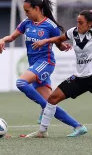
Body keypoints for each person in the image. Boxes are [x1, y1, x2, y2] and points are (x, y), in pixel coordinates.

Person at [0, 0, 86, 136]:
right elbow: (12, 37)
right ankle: (78, 126)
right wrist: (2, 40)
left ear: (37, 9)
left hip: (46, 63)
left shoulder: (50, 26)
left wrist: (64, 47)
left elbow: (59, 45)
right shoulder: (26, 23)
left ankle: (44, 108)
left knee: (21, 82)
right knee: (50, 101)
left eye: (27, 10)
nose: (26, 14)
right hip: (34, 64)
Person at [25, 9, 92, 138]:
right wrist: (45, 41)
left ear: (90, 24)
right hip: (80, 78)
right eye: (77, 22)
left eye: (81, 23)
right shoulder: (73, 32)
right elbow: (59, 39)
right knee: (52, 98)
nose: (78, 25)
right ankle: (42, 132)